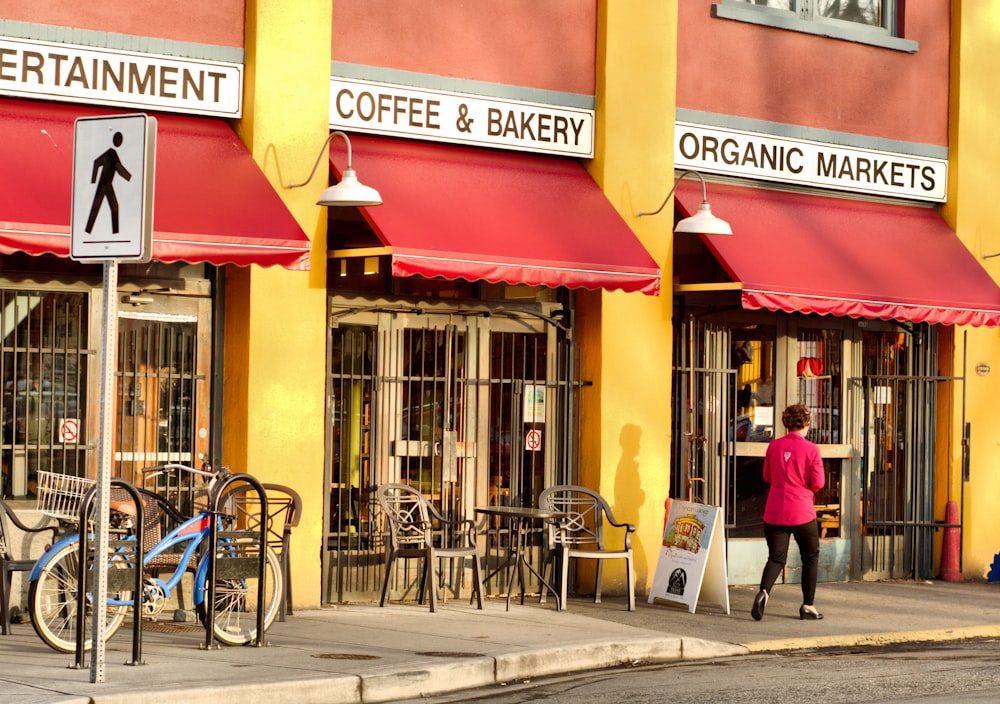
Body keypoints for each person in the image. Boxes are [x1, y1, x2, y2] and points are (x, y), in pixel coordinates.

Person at [752, 403, 825, 621]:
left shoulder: (773, 446)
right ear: (806, 423)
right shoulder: (812, 450)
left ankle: (763, 592)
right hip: (802, 512)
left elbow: (767, 477)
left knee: (776, 558)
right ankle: (808, 606)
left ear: (786, 423)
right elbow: (818, 482)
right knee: (810, 557)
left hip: (774, 511)